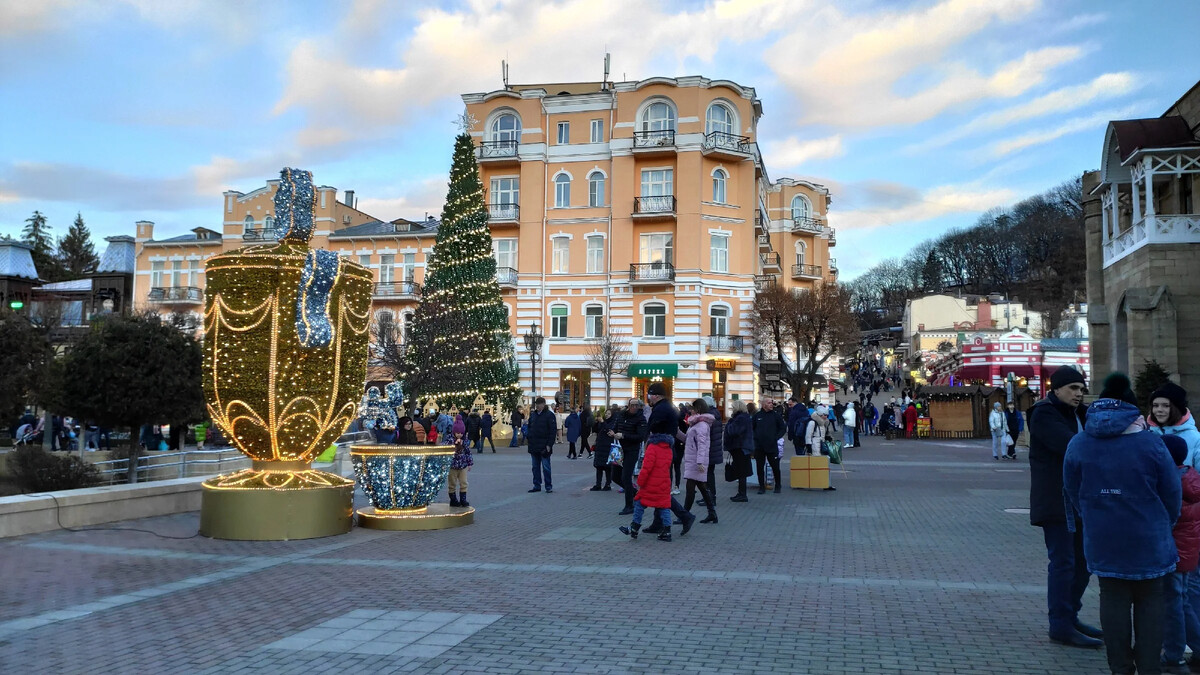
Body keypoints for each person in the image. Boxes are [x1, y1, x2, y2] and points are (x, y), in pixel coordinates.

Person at [1063, 373, 1180, 674]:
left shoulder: (1079, 443)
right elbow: (1172, 492)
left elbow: (1072, 489)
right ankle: (1149, 667)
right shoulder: (1151, 443)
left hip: (1103, 535)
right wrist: (1164, 523)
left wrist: (1091, 514)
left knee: (1112, 597)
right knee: (1151, 600)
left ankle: (1120, 667)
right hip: (1148, 536)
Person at [1029, 365, 1103, 648]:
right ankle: (1059, 624)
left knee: (1084, 562)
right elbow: (1070, 445)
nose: (1079, 394)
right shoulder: (1044, 413)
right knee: (1063, 563)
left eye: (1082, 389)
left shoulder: (1080, 413)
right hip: (1056, 502)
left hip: (1081, 501)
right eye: (1073, 388)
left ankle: (1070, 616)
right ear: (1056, 389)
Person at [1162, 435, 1200, 674]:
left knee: (1173, 604)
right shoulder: (1191, 476)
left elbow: (1169, 518)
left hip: (1173, 551)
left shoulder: (1172, 481)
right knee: (1183, 602)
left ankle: (1174, 654)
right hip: (1188, 551)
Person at [643, 383, 696, 535]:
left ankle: (685, 516)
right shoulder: (667, 407)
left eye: (650, 394)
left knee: (659, 488)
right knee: (659, 487)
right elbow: (675, 430)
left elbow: (653, 429)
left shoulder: (661, 409)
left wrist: (648, 446)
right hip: (665, 450)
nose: (648, 397)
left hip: (660, 452)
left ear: (656, 395)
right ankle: (658, 522)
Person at [618, 409, 674, 543]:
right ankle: (667, 530)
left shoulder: (652, 447)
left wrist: (641, 482)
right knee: (663, 506)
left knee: (639, 503)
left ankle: (634, 528)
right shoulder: (668, 447)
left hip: (651, 483)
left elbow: (647, 467)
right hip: (664, 482)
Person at [682, 398, 717, 525]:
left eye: (692, 408)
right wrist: (676, 433)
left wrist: (700, 462)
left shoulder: (701, 425)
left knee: (690, 488)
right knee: (702, 487)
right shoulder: (696, 424)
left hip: (696, 462)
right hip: (694, 460)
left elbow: (703, 445)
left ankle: (684, 515)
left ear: (698, 409)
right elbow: (688, 440)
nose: (690, 410)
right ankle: (712, 513)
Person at [1150, 382, 1200, 468]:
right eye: (1155, 405)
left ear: (1177, 408)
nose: (1159, 410)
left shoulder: (1195, 439)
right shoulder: (1148, 435)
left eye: (1166, 406)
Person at [612, 399, 648, 514]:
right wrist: (612, 432)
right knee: (615, 476)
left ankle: (629, 505)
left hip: (632, 450)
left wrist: (623, 436)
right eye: (632, 405)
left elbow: (640, 436)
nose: (634, 407)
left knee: (626, 477)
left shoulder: (641, 418)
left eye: (636, 405)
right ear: (628, 406)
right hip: (619, 449)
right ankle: (635, 493)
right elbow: (615, 427)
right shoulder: (621, 415)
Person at [751, 398, 787, 494]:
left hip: (772, 446)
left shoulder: (776, 416)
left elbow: (783, 428)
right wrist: (755, 438)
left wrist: (776, 437)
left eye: (772, 403)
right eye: (769, 403)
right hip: (759, 447)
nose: (771, 404)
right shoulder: (757, 416)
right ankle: (761, 487)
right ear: (763, 405)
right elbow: (751, 428)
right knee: (759, 467)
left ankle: (778, 485)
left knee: (775, 467)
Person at [725, 400, 754, 502]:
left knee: (741, 472)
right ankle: (741, 493)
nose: (732, 409)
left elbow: (734, 431)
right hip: (742, 447)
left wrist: (729, 424)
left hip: (740, 448)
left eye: (733, 407)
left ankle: (742, 494)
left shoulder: (740, 418)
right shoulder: (744, 417)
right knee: (741, 471)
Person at [526, 397, 557, 493]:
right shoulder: (533, 415)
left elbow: (553, 431)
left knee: (546, 467)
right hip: (534, 445)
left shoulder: (549, 415)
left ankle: (548, 486)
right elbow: (529, 427)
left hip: (544, 446)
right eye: (536, 405)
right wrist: (529, 437)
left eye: (539, 405)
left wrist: (549, 445)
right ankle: (537, 485)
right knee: (535, 467)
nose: (537, 407)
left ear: (543, 404)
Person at [701, 395, 724, 507]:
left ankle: (710, 498)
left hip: (709, 450)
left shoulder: (709, 417)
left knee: (707, 474)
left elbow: (705, 434)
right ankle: (708, 497)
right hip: (713, 449)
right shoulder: (715, 414)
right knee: (708, 474)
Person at [591, 405, 619, 491]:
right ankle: (598, 484)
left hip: (608, 447)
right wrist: (596, 422)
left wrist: (602, 422)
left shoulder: (613, 422)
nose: (607, 415)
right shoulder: (603, 421)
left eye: (609, 414)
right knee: (598, 466)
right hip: (600, 446)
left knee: (607, 467)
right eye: (606, 413)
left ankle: (608, 484)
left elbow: (609, 430)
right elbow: (595, 430)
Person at [447, 430, 473, 508]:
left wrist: (469, 463)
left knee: (464, 483)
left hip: (463, 465)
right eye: (457, 433)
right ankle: (453, 500)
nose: (459, 435)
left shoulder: (465, 440)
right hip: (452, 466)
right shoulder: (450, 439)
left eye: (461, 433)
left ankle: (463, 499)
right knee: (452, 483)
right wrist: (454, 444)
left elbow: (468, 452)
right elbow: (445, 448)